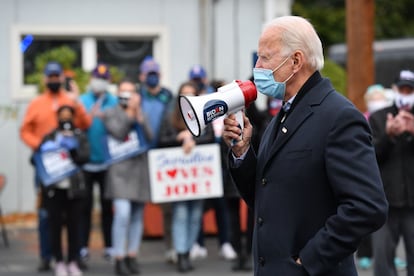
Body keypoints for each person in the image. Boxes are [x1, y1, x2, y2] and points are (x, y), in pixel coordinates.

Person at [222, 16, 388, 275]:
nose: (257, 66)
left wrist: (309, 260)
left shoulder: (338, 116)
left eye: (265, 58)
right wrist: (242, 152)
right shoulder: (283, 116)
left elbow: (368, 207)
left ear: (296, 61)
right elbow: (265, 195)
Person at [20, 61, 91, 272]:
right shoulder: (36, 103)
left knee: (73, 216)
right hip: (48, 166)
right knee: (46, 214)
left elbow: (85, 125)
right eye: (49, 77)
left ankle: (74, 257)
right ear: (44, 79)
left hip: (71, 166)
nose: (53, 80)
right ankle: (47, 255)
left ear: (61, 77)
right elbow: (25, 130)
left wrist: (77, 102)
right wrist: (41, 148)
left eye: (56, 76)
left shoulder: (69, 100)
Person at [158, 81, 215, 273]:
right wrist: (179, 138)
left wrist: (193, 140)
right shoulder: (170, 117)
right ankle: (181, 253)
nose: (188, 97)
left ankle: (188, 250)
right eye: (184, 94)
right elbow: (161, 140)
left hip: (197, 175)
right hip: (180, 177)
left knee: (195, 215)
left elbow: (209, 138)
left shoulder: (204, 116)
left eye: (192, 94)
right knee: (181, 213)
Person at [102, 79, 152, 275]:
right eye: (123, 93)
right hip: (119, 172)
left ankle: (132, 255)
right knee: (122, 214)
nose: (127, 97)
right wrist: (130, 114)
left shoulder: (141, 112)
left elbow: (149, 137)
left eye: (131, 93)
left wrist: (139, 116)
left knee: (138, 215)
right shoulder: (110, 113)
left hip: (139, 169)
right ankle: (119, 257)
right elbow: (118, 132)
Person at [369, 69, 414, 276]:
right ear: (394, 90)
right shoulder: (379, 117)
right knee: (383, 261)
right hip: (385, 201)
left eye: (409, 90)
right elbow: (369, 156)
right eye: (402, 89)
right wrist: (389, 135)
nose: (405, 94)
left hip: (412, 203)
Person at [38, 105, 90, 276]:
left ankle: (73, 261)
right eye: (62, 116)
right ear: (58, 118)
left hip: (74, 190)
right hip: (55, 190)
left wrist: (73, 148)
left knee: (75, 226)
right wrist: (51, 148)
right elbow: (36, 159)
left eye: (69, 116)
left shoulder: (80, 136)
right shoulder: (50, 136)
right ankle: (59, 260)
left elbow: (85, 157)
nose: (65, 119)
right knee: (55, 226)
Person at [190, 79, 237, 262]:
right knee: (199, 205)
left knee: (221, 205)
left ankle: (224, 243)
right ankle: (198, 243)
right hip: (202, 164)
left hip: (219, 164)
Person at [78, 63, 118, 265]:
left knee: (106, 206)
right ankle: (83, 247)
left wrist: (106, 118)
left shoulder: (114, 101)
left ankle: (109, 246)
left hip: (107, 163)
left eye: (103, 78)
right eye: (97, 77)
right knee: (84, 207)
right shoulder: (82, 100)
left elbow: (120, 128)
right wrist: (89, 116)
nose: (99, 82)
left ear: (108, 81)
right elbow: (75, 126)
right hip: (86, 163)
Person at [137, 57, 173, 262]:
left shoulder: (167, 96)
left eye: (155, 74)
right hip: (139, 155)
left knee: (167, 206)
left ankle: (171, 248)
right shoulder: (136, 96)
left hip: (162, 156)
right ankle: (132, 251)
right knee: (136, 203)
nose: (151, 78)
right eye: (148, 74)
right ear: (142, 76)